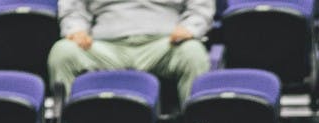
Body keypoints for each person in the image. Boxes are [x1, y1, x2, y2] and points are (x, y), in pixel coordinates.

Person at [48, 0, 214, 103]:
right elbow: (73, 7)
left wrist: (190, 27)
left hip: (165, 44)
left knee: (193, 53)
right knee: (62, 52)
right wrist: (76, 29)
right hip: (105, 45)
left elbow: (200, 7)